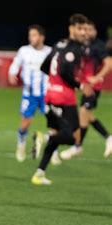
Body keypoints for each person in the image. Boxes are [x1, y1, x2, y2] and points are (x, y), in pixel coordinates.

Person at [31, 14, 93, 185]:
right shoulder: (75, 49)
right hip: (64, 98)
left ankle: (39, 173)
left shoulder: (59, 43)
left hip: (50, 94)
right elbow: (65, 72)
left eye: (85, 29)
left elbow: (45, 66)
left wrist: (54, 81)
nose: (83, 32)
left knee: (58, 134)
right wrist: (80, 86)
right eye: (79, 28)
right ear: (71, 28)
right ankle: (43, 137)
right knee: (74, 138)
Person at [60, 20, 112, 159]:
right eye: (84, 29)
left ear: (95, 30)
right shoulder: (82, 45)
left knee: (83, 113)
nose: (86, 32)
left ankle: (79, 146)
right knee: (86, 116)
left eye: (89, 29)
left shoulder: (98, 46)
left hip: (94, 87)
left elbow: (109, 63)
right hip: (85, 86)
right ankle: (106, 139)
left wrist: (97, 77)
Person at [8, 25, 55, 162]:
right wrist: (12, 72)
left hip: (46, 94)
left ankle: (53, 151)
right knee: (25, 122)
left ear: (41, 37)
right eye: (30, 35)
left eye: (34, 35)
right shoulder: (24, 51)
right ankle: (21, 143)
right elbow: (16, 63)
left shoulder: (50, 52)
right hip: (29, 94)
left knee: (53, 123)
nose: (31, 38)